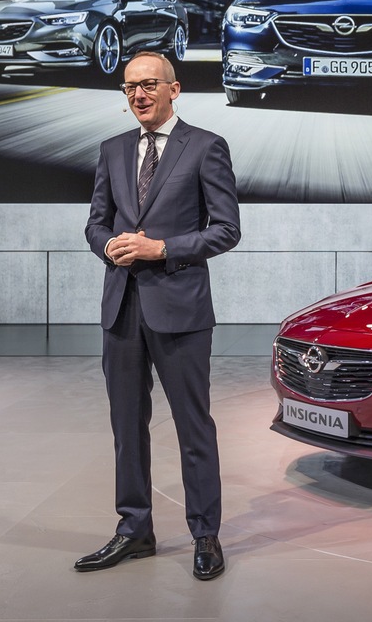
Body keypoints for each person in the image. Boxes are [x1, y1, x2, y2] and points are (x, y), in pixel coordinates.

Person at [79, 51, 241, 580]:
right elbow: (96, 223)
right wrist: (110, 247)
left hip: (180, 308)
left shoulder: (206, 147)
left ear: (175, 89)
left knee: (194, 427)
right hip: (122, 308)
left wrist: (162, 248)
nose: (139, 95)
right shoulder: (112, 150)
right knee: (127, 427)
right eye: (129, 88)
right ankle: (135, 530)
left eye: (149, 84)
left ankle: (206, 535)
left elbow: (225, 229)